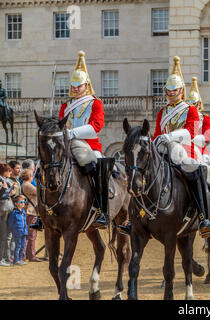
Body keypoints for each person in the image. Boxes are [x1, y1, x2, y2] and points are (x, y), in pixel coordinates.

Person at [152, 56, 210, 238]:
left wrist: (169, 136)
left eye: (175, 90)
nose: (171, 93)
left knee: (195, 172)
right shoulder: (162, 112)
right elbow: (156, 135)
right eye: (168, 90)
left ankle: (203, 217)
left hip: (184, 150)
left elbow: (191, 133)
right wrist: (156, 142)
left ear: (181, 91)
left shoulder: (190, 110)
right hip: (163, 151)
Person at [58, 51, 114, 229]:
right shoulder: (65, 106)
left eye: (79, 86)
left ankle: (102, 210)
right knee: (44, 165)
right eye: (73, 86)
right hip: (67, 145)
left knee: (97, 166)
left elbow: (96, 126)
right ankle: (42, 210)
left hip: (89, 145)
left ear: (86, 85)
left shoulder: (95, 103)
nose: (75, 88)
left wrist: (72, 133)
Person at [21, 169, 42, 262]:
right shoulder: (27, 185)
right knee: (31, 235)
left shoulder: (25, 184)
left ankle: (26, 254)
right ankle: (31, 255)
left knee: (29, 235)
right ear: (29, 176)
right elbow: (39, 192)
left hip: (30, 211)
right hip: (31, 211)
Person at [0, 164, 17, 267]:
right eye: (8, 171)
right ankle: (1, 258)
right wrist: (6, 191)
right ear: (3, 171)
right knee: (2, 235)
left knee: (7, 235)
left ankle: (6, 256)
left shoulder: (6, 180)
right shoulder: (2, 181)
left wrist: (10, 192)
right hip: (2, 211)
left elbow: (6, 194)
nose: (10, 173)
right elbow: (1, 195)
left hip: (7, 210)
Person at [7, 195, 28, 266]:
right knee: (18, 246)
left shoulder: (23, 212)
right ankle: (16, 260)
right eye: (21, 202)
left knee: (23, 246)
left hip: (24, 232)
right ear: (16, 203)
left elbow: (25, 222)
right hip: (17, 232)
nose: (23, 203)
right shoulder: (14, 213)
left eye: (24, 202)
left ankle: (20, 259)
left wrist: (26, 230)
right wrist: (14, 230)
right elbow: (10, 223)